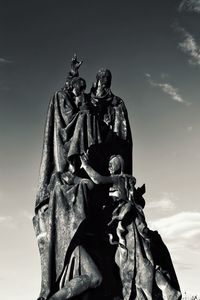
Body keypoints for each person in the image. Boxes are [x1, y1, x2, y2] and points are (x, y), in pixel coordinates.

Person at [80, 154, 182, 300]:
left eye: (112, 163)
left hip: (128, 222)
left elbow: (98, 179)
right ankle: (162, 288)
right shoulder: (127, 182)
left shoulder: (119, 178)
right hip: (128, 222)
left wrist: (85, 165)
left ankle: (166, 288)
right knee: (135, 259)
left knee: (137, 261)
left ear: (119, 166)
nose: (109, 166)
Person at [34, 164, 102, 300]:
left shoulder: (54, 189)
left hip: (73, 239)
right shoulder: (62, 178)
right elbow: (89, 185)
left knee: (93, 281)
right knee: (95, 277)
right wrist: (78, 176)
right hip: (71, 240)